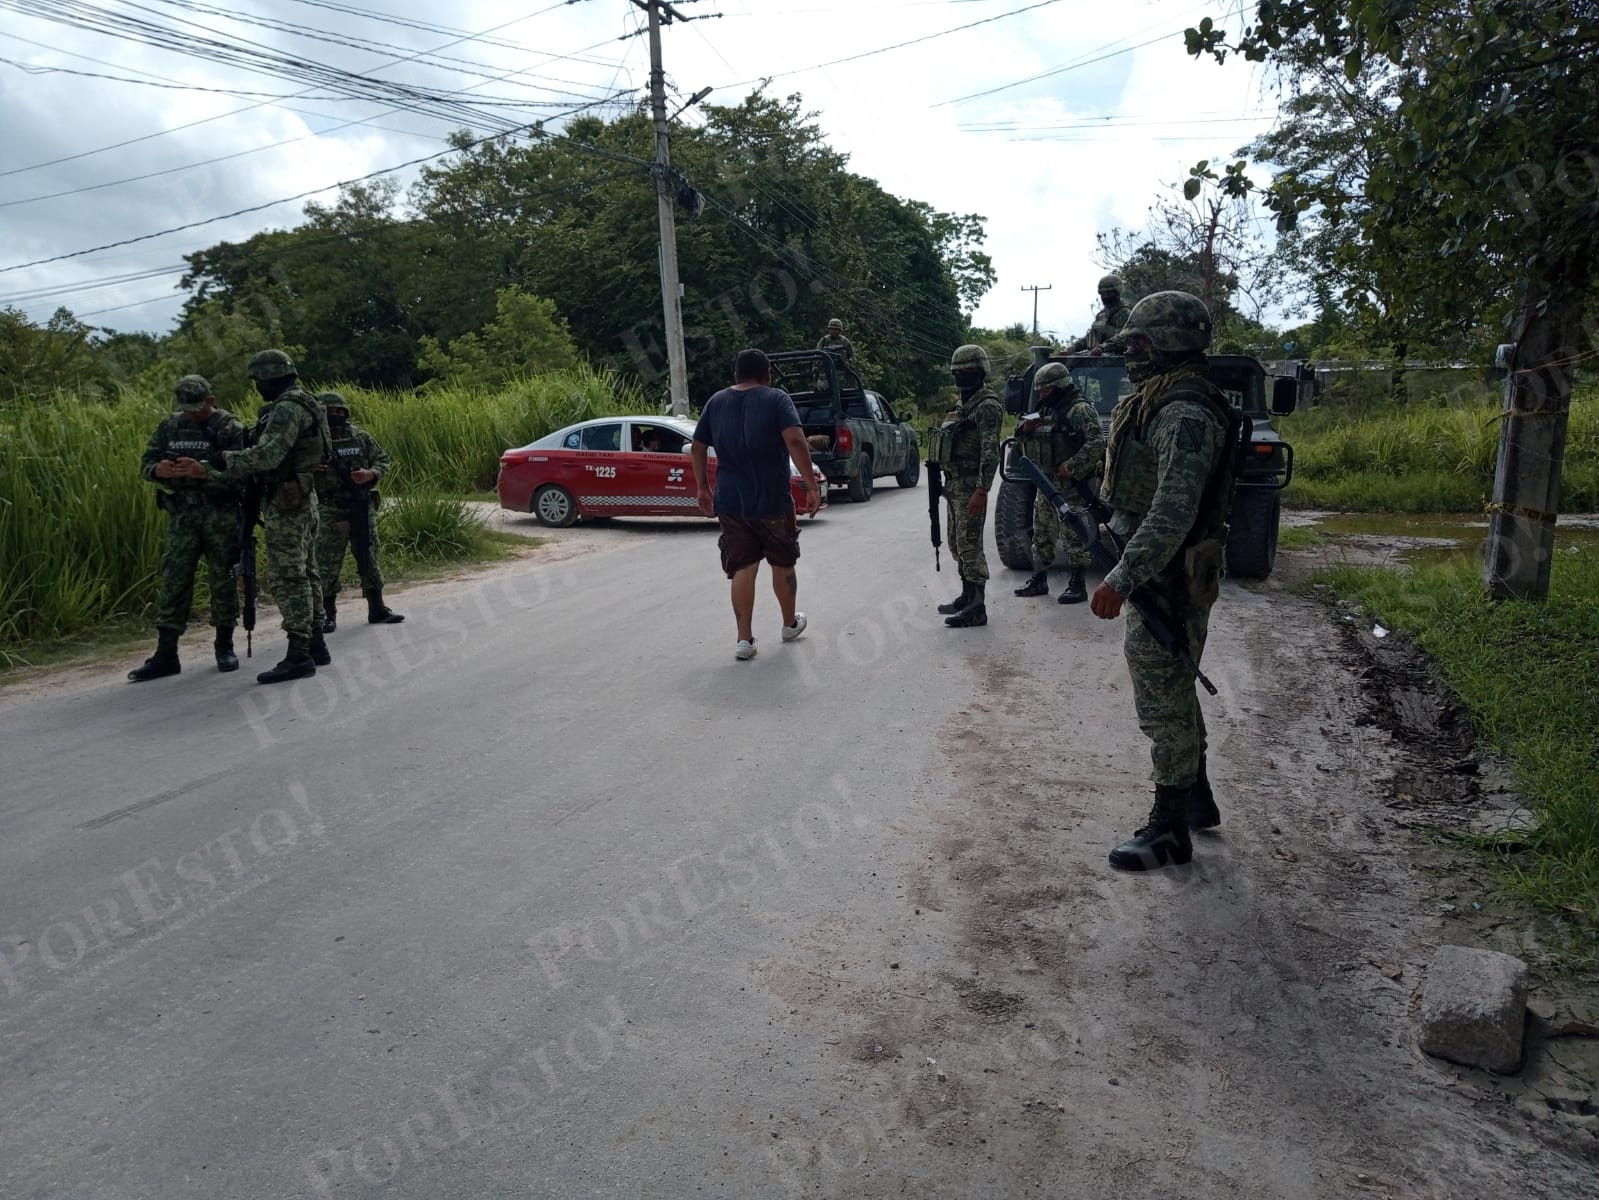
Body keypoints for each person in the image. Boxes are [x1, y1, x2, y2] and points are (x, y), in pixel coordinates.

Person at [1089, 292, 1236, 871]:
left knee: (1163, 701)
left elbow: (1173, 511)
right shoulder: (1163, 401)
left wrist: (1121, 577)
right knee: (1173, 690)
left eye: (1141, 344)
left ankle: (1170, 830)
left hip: (1165, 574)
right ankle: (1194, 798)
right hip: (1159, 567)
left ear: (1169, 344)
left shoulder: (1184, 413)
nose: (1132, 354)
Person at [191, 349, 331, 684]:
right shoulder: (309, 402)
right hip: (302, 494)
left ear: (271, 377)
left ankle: (299, 653)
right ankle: (316, 643)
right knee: (307, 572)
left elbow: (269, 456)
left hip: (288, 500)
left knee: (288, 577)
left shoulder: (287, 408)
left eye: (258, 381)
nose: (257, 388)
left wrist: (228, 458)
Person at [691, 349, 822, 661]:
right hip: (772, 499)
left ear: (736, 375)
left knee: (743, 566)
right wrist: (811, 484)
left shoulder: (716, 402)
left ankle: (744, 640)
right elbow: (795, 440)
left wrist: (702, 488)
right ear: (768, 375)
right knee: (782, 561)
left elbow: (697, 446)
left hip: (731, 501)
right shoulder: (777, 399)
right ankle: (789, 624)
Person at [128, 375, 247, 681]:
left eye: (197, 408)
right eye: (187, 409)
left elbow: (246, 476)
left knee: (223, 580)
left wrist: (205, 473)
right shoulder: (169, 426)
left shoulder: (231, 429)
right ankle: (166, 653)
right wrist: (157, 470)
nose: (192, 414)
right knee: (174, 580)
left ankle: (224, 645)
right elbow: (146, 462)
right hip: (182, 514)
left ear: (211, 400)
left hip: (220, 515)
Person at [1012, 362, 1106, 605]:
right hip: (1047, 482)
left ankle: (1077, 583)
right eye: (1040, 391)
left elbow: (1096, 443)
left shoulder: (1080, 410)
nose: (1042, 395)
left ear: (1060, 387)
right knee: (1041, 529)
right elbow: (1019, 434)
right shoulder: (1046, 408)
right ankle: (1039, 578)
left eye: (1046, 390)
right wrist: (1025, 428)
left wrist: (1071, 467)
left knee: (1073, 533)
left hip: (1072, 484)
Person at [313, 392, 404, 632]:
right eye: (329, 412)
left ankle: (377, 607)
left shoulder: (360, 437)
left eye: (338, 412)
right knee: (327, 561)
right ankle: (327, 614)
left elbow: (382, 460)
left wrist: (371, 474)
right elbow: (293, 467)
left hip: (361, 505)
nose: (334, 416)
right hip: (329, 508)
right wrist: (311, 466)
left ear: (345, 413)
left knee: (369, 556)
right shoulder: (313, 440)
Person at [927, 344, 1003, 628]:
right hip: (954, 483)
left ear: (980, 372)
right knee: (957, 544)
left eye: (968, 372)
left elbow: (990, 451)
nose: (961, 377)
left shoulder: (987, 407)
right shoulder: (963, 406)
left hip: (971, 484)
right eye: (957, 372)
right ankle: (966, 595)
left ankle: (977, 607)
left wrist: (982, 490)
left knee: (970, 545)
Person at [1065, 275, 1132, 355]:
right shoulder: (1102, 315)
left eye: (1109, 293)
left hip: (1119, 361)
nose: (1106, 296)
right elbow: (1091, 337)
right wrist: (1072, 348)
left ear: (1117, 292)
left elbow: (1124, 337)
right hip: (1097, 359)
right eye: (1103, 294)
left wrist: (1102, 348)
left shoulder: (1124, 312)